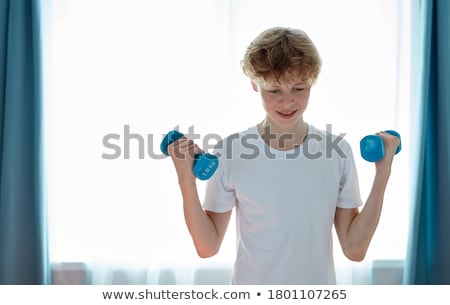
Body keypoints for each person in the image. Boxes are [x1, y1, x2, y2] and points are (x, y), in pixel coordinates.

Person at [167, 27, 400, 284]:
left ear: (312, 82)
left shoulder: (336, 151)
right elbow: (207, 247)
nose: (287, 102)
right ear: (255, 85)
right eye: (274, 90)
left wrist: (383, 173)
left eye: (299, 88)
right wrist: (186, 181)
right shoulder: (230, 151)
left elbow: (355, 250)